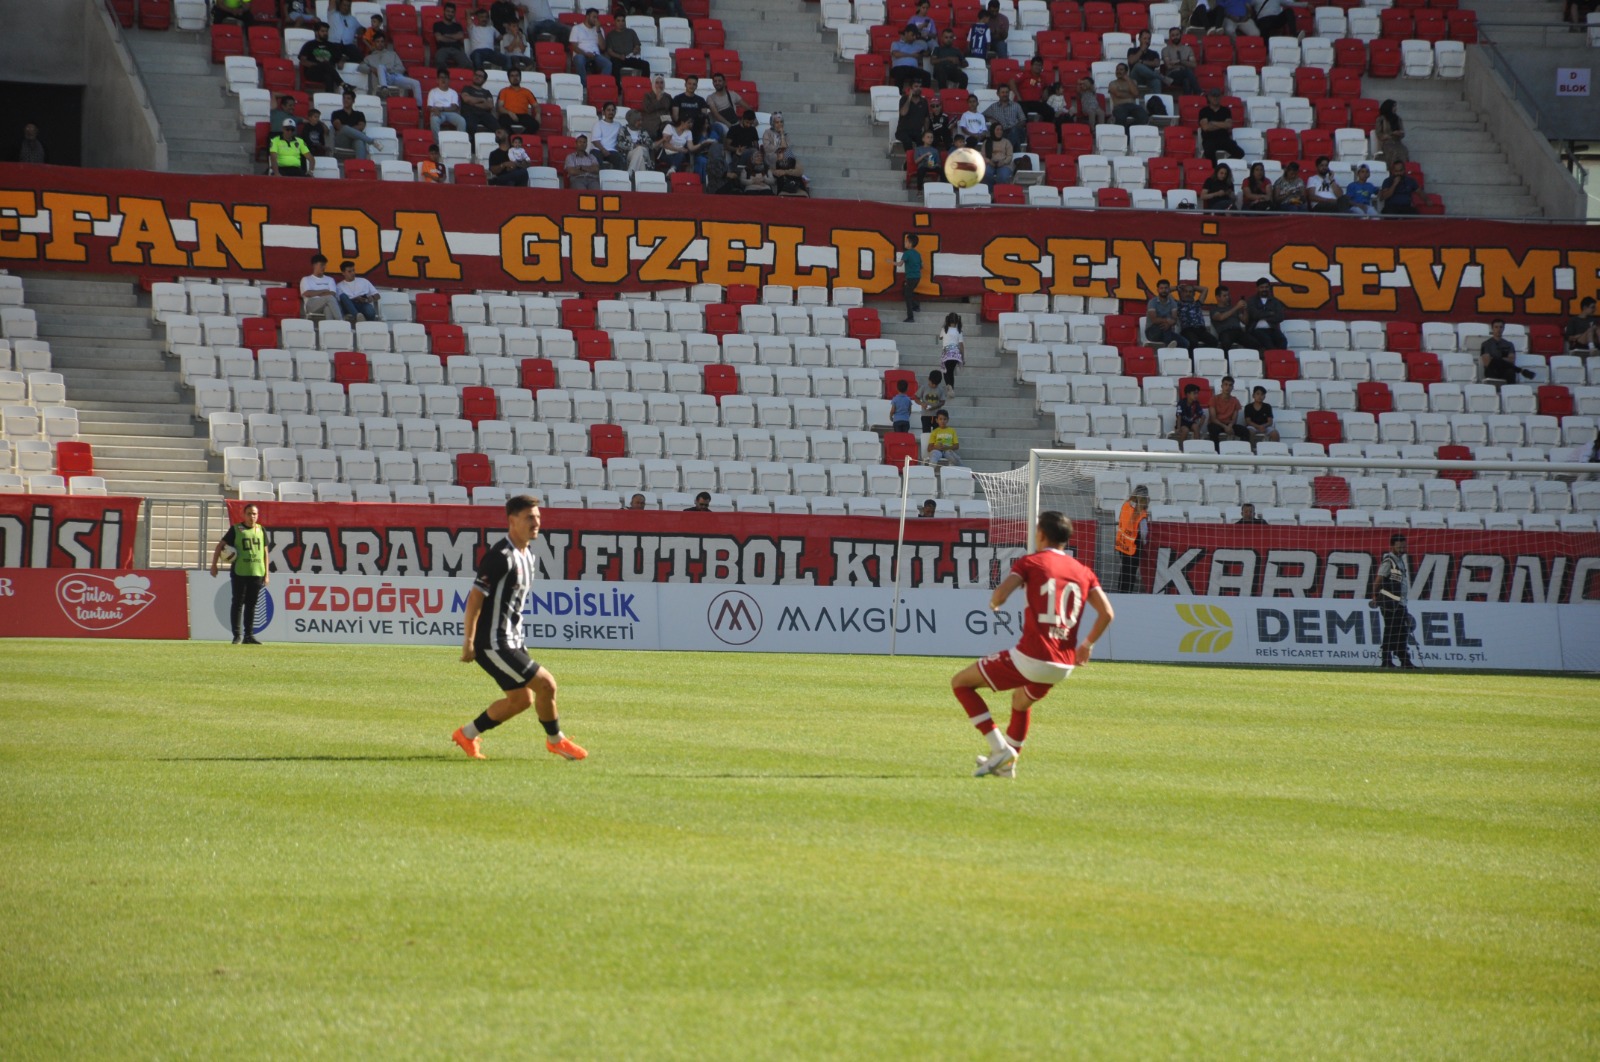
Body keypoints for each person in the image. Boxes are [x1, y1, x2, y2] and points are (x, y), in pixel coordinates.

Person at [951, 510, 1114, 779]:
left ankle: (1000, 749)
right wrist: (1087, 645)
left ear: (1041, 534)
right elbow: (1107, 613)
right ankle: (1007, 767)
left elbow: (1001, 595)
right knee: (1020, 702)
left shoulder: (1032, 562)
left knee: (961, 683)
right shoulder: (1083, 571)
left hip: (1032, 657)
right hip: (1063, 664)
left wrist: (994, 602)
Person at [453, 495, 587, 762]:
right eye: (529, 517)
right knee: (546, 685)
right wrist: (468, 641)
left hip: (512, 640)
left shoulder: (528, 556)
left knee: (521, 700)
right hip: (492, 643)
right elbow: (475, 598)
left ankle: (466, 734)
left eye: (537, 517)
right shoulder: (500, 556)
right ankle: (555, 741)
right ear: (512, 521)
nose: (536, 522)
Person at [210, 503, 269, 645]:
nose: (252, 516)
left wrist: (267, 574)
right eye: (249, 513)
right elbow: (220, 546)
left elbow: (265, 552)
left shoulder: (261, 530)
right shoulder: (236, 529)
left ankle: (249, 636)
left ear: (257, 515)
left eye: (254, 514)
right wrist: (214, 565)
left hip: (257, 571)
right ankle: (237, 635)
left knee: (252, 604)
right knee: (237, 603)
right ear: (244, 515)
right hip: (240, 572)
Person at [1370, 533, 1415, 669]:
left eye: (1403, 547)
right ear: (1392, 546)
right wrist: (1375, 596)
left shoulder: (1399, 560)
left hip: (1400, 602)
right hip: (1390, 603)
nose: (1402, 549)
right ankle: (1387, 660)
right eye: (1399, 547)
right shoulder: (1389, 561)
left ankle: (1404, 660)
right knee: (1391, 631)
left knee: (1401, 632)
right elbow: (1378, 580)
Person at [358, 33, 424, 104]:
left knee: (416, 83)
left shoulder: (392, 54)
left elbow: (401, 68)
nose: (380, 44)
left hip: (394, 76)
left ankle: (419, 108)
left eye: (382, 41)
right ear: (374, 43)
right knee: (380, 67)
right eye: (377, 42)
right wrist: (371, 69)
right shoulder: (369, 57)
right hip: (380, 79)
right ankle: (384, 88)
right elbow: (360, 67)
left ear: (384, 43)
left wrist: (389, 71)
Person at [1113, 485, 1149, 594]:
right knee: (1131, 573)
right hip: (1134, 546)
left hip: (1122, 543)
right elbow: (1144, 533)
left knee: (1123, 570)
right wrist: (1145, 542)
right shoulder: (1141, 514)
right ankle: (1127, 594)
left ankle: (1120, 592)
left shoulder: (1125, 506)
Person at [1480, 319, 1536, 384]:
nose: (1498, 329)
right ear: (1492, 328)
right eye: (1496, 327)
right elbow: (1487, 362)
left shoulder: (1509, 344)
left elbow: (1511, 361)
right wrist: (1502, 359)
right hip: (1492, 371)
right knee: (1494, 362)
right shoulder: (1485, 344)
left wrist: (1495, 359)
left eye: (1501, 327)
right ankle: (1521, 370)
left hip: (1505, 370)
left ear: (1503, 328)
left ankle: (1511, 390)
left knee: (1508, 370)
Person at [298, 21, 344, 93]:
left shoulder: (332, 46)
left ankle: (330, 97)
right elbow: (303, 61)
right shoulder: (309, 45)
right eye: (322, 31)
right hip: (313, 72)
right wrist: (319, 65)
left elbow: (340, 57)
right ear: (316, 32)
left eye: (326, 31)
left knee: (328, 76)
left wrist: (341, 61)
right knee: (325, 64)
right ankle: (342, 84)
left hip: (327, 72)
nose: (325, 33)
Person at [569, 7, 613, 80]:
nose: (596, 19)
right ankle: (584, 86)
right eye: (594, 17)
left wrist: (598, 30)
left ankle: (600, 84)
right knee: (580, 60)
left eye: (597, 17)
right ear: (587, 17)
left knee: (608, 64)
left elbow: (602, 47)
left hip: (595, 54)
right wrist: (585, 54)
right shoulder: (576, 28)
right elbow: (574, 47)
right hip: (581, 54)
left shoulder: (599, 29)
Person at [1207, 374, 1249, 446]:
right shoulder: (1214, 399)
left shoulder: (1235, 401)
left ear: (1232, 387)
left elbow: (1234, 419)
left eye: (1230, 385)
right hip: (1216, 423)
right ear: (1222, 386)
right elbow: (1213, 419)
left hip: (1229, 424)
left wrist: (1229, 426)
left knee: (1245, 431)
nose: (1228, 387)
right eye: (1225, 384)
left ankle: (1243, 452)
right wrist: (1225, 427)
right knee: (1214, 430)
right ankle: (1216, 452)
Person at [1245, 277, 1288, 349]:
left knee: (1282, 341)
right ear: (1257, 288)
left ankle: (1281, 359)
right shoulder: (1251, 300)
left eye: (1266, 287)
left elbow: (1280, 317)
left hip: (1272, 329)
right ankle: (1271, 359)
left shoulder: (1275, 301)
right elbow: (1255, 315)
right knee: (1267, 341)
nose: (1264, 289)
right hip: (1256, 329)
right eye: (1262, 287)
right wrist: (1270, 313)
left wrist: (1262, 315)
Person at [496, 67, 541, 133]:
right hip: (508, 115)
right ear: (509, 78)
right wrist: (510, 113)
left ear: (520, 77)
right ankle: (512, 139)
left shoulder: (527, 92)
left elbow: (536, 105)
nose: (515, 78)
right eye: (512, 76)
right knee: (502, 122)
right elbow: (499, 107)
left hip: (523, 115)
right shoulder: (504, 91)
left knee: (535, 125)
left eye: (517, 75)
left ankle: (521, 139)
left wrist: (538, 114)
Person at [1175, 283, 1216, 349]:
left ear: (1194, 294)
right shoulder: (1178, 304)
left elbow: (1205, 289)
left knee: (1214, 342)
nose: (1188, 294)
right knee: (1193, 342)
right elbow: (1167, 292)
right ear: (1182, 293)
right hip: (1187, 330)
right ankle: (1192, 358)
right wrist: (1176, 288)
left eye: (1190, 292)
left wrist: (1192, 287)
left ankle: (1201, 356)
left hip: (1201, 330)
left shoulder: (1198, 303)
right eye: (1186, 292)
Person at [459, 69, 500, 135]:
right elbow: (466, 99)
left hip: (484, 114)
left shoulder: (487, 92)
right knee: (470, 127)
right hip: (469, 113)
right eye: (476, 75)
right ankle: (472, 144)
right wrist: (482, 100)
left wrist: (472, 103)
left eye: (480, 76)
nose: (477, 77)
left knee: (497, 128)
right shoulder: (467, 88)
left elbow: (489, 105)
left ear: (484, 80)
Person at [1108, 63, 1149, 128]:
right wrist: (1131, 95)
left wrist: (1128, 80)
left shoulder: (1133, 82)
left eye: (1121, 70)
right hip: (1119, 106)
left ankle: (1129, 128)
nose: (1118, 71)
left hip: (1133, 106)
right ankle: (1125, 132)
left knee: (1144, 117)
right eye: (1117, 69)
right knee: (1121, 118)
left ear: (1126, 72)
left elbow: (1135, 93)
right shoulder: (1112, 83)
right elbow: (1118, 94)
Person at [890, 25, 931, 89]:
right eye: (912, 35)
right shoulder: (896, 43)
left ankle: (924, 95)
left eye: (915, 36)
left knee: (927, 75)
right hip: (899, 68)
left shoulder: (917, 45)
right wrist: (912, 55)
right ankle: (898, 94)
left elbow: (927, 53)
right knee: (900, 73)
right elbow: (896, 54)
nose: (914, 37)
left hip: (912, 69)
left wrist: (922, 54)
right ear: (906, 33)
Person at [299, 254, 340, 319]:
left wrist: (315, 293)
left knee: (328, 308)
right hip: (311, 304)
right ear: (314, 265)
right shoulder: (306, 279)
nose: (324, 267)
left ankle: (330, 328)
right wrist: (324, 291)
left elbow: (333, 293)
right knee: (329, 298)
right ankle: (341, 321)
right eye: (322, 265)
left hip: (326, 303)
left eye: (325, 265)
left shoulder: (330, 279)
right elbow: (307, 293)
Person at [1145, 279, 1182, 349]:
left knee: (1185, 343)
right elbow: (1154, 320)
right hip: (1152, 332)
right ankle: (1168, 346)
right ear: (1158, 290)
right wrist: (1168, 321)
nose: (1164, 290)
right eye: (1161, 288)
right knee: (1165, 327)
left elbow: (1174, 319)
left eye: (1166, 288)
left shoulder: (1172, 302)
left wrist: (1169, 323)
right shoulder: (1152, 302)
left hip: (1167, 332)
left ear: (1169, 289)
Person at [432, 2, 471, 68]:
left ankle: (456, 76)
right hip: (442, 49)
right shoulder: (437, 25)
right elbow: (439, 38)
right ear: (444, 11)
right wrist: (454, 38)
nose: (450, 13)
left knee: (467, 65)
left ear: (454, 13)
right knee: (439, 61)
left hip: (457, 49)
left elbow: (460, 36)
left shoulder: (457, 25)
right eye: (448, 11)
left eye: (452, 12)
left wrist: (446, 35)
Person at [1375, 99, 1408, 164]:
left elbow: (1402, 133)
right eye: (1394, 106)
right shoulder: (1381, 119)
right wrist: (1392, 134)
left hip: (1397, 142)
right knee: (1394, 152)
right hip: (1386, 143)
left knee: (1404, 150)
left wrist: (1400, 133)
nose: (1395, 108)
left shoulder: (1398, 119)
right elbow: (1380, 135)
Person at [899, 234, 923, 323]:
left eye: (906, 241)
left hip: (911, 278)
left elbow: (900, 264)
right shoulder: (917, 254)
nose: (905, 243)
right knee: (906, 292)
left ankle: (910, 317)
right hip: (917, 277)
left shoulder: (907, 253)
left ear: (910, 243)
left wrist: (890, 262)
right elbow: (921, 266)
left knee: (907, 296)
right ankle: (916, 305)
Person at [982, 122, 1014, 186]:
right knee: (985, 174)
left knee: (1003, 176)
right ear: (993, 130)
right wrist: (989, 161)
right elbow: (983, 156)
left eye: (1001, 130)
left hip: (1004, 164)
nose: (999, 131)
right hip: (990, 163)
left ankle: (1000, 191)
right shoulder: (987, 142)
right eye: (997, 129)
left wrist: (1003, 162)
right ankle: (990, 191)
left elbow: (1009, 156)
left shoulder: (1006, 142)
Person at [939, 313, 964, 390]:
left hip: (947, 354)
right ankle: (951, 388)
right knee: (951, 372)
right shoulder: (959, 331)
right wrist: (963, 357)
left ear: (947, 320)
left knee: (945, 371)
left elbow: (940, 338)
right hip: (956, 355)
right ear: (957, 321)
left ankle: (948, 386)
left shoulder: (944, 329)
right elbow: (961, 346)